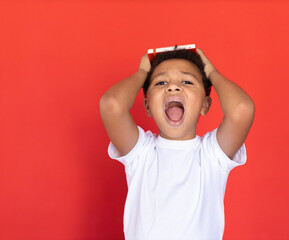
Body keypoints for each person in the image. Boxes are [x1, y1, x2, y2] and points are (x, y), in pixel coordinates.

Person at [99, 47, 255, 239]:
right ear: (147, 106)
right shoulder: (141, 153)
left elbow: (242, 109)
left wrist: (212, 73)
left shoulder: (212, 155)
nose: (173, 87)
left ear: (205, 105)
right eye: (161, 82)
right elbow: (112, 105)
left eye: (187, 81)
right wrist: (141, 73)